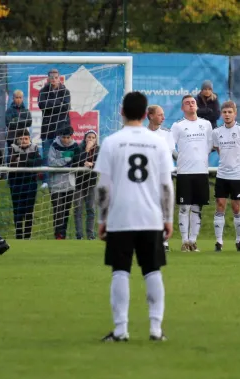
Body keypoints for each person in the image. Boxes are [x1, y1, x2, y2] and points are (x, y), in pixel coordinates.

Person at [94, 91, 174, 342]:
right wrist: (168, 217)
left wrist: (102, 219)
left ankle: (120, 330)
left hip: (120, 217)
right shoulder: (159, 142)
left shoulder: (111, 141)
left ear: (122, 112)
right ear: (144, 113)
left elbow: (103, 186)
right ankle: (155, 329)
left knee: (120, 271)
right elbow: (166, 185)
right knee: (152, 271)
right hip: (151, 217)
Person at [171, 95, 213, 252]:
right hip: (184, 172)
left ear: (197, 106)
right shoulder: (178, 126)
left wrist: (201, 157)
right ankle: (184, 241)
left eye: (193, 102)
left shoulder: (206, 124)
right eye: (187, 103)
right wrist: (180, 158)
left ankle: (193, 241)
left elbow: (210, 144)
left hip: (201, 171)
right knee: (184, 207)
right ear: (182, 108)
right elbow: (170, 146)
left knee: (197, 208)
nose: (190, 105)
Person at [211, 101, 240, 252]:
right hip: (222, 175)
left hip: (238, 176)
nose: (227, 115)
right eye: (224, 112)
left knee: (236, 208)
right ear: (221, 114)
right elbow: (217, 148)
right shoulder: (216, 132)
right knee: (220, 205)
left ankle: (239, 240)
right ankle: (218, 241)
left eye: (230, 112)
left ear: (235, 113)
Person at [147, 104, 177, 251]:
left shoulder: (166, 133)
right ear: (151, 116)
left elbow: (173, 153)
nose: (163, 117)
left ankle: (164, 242)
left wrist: (182, 163)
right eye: (160, 114)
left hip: (163, 177)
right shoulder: (141, 134)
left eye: (163, 114)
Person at [48, 126, 80, 239]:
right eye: (63, 137)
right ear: (60, 136)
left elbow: (77, 162)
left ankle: (63, 234)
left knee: (66, 211)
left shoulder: (75, 146)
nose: (65, 140)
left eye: (68, 137)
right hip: (55, 184)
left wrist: (70, 163)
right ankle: (58, 234)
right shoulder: (54, 145)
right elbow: (51, 162)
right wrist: (65, 161)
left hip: (69, 184)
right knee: (58, 210)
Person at [9, 129, 42, 239]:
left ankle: (27, 236)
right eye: (21, 139)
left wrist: (22, 160)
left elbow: (38, 162)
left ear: (29, 139)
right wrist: (28, 161)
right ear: (17, 140)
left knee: (29, 211)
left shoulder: (34, 148)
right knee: (17, 210)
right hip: (16, 183)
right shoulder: (12, 148)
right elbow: (11, 163)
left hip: (30, 183)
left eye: (26, 138)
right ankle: (18, 236)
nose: (23, 141)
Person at [39, 69, 71, 161]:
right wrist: (58, 103)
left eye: (56, 77)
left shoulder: (65, 92)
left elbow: (66, 107)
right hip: (47, 131)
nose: (54, 79)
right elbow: (42, 105)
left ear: (59, 78)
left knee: (63, 159)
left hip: (62, 131)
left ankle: (61, 176)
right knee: (46, 160)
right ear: (48, 78)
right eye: (51, 77)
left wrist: (49, 104)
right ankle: (47, 176)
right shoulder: (43, 91)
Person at [74, 130, 99, 240]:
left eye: (93, 137)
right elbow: (76, 162)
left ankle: (90, 235)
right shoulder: (78, 148)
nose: (90, 139)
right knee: (78, 210)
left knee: (91, 210)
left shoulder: (98, 150)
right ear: (85, 138)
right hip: (79, 184)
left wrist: (92, 164)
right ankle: (79, 235)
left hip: (91, 184)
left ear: (96, 140)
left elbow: (102, 163)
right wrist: (86, 150)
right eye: (89, 137)